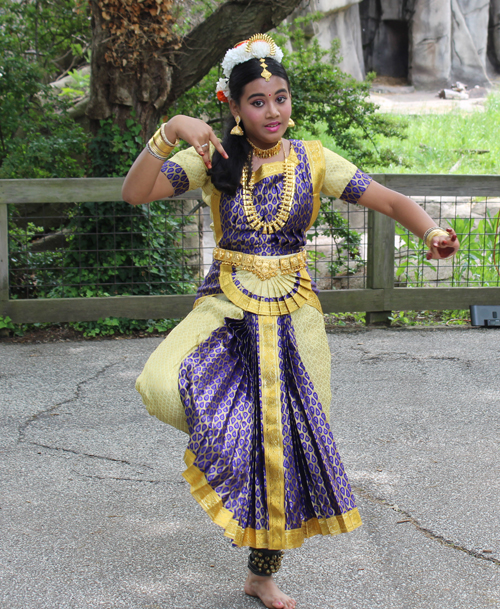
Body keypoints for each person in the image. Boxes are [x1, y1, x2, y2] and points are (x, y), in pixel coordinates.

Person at [122, 34, 460, 609]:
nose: (273, 110)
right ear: (233, 106)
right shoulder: (213, 159)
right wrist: (173, 127)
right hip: (226, 308)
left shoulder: (313, 160)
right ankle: (225, 436)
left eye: (281, 97)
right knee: (161, 384)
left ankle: (261, 573)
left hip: (294, 316)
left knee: (285, 447)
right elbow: (135, 193)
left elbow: (389, 199)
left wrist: (430, 231)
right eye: (257, 101)